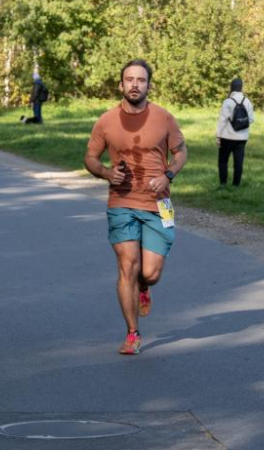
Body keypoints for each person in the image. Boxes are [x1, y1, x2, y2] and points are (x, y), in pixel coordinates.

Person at [84, 59, 188, 355]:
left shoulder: (164, 118)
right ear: (121, 84)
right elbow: (90, 158)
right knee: (127, 266)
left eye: (140, 80)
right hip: (121, 201)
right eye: (129, 79)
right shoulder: (106, 121)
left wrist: (167, 174)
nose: (134, 84)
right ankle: (132, 334)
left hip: (158, 203)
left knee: (151, 273)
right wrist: (105, 173)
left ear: (148, 85)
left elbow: (181, 153)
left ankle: (145, 287)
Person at [215, 78, 255, 188]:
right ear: (241, 87)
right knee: (238, 162)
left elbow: (222, 120)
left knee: (223, 161)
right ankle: (236, 185)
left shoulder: (228, 101)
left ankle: (223, 184)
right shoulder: (247, 101)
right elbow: (251, 119)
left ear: (231, 87)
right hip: (242, 138)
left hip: (227, 137)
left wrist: (218, 135)